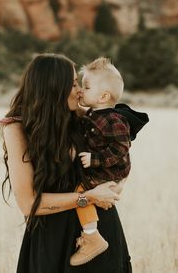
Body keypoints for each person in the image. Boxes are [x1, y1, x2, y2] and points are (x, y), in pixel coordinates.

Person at [0, 53, 133, 273]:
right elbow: (28, 203)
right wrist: (87, 197)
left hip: (101, 231)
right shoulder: (17, 129)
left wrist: (117, 185)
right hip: (52, 239)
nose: (79, 90)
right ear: (53, 88)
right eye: (72, 84)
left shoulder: (86, 118)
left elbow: (121, 154)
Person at [70, 57, 131, 266]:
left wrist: (95, 159)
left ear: (104, 96)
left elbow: (121, 149)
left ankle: (92, 236)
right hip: (105, 170)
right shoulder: (93, 114)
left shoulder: (113, 119)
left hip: (110, 170)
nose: (81, 90)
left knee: (81, 191)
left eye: (86, 87)